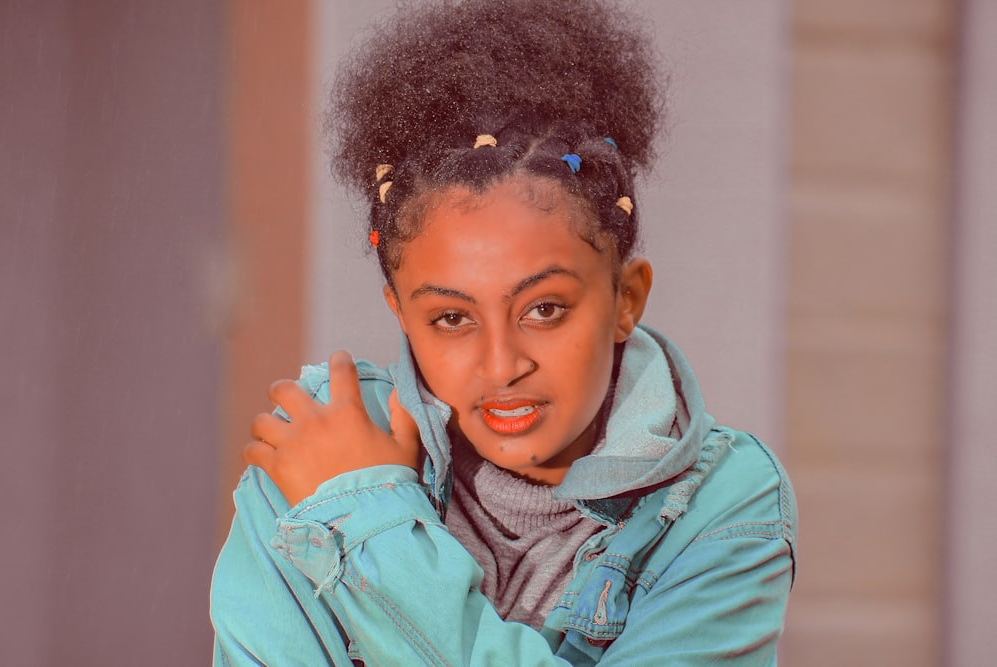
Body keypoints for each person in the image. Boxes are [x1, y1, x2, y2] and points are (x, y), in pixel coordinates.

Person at [210, 0, 797, 664]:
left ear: (625, 298)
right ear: (401, 313)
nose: (502, 364)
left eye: (544, 309)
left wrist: (364, 519)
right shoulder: (314, 446)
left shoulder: (719, 504)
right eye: (452, 318)